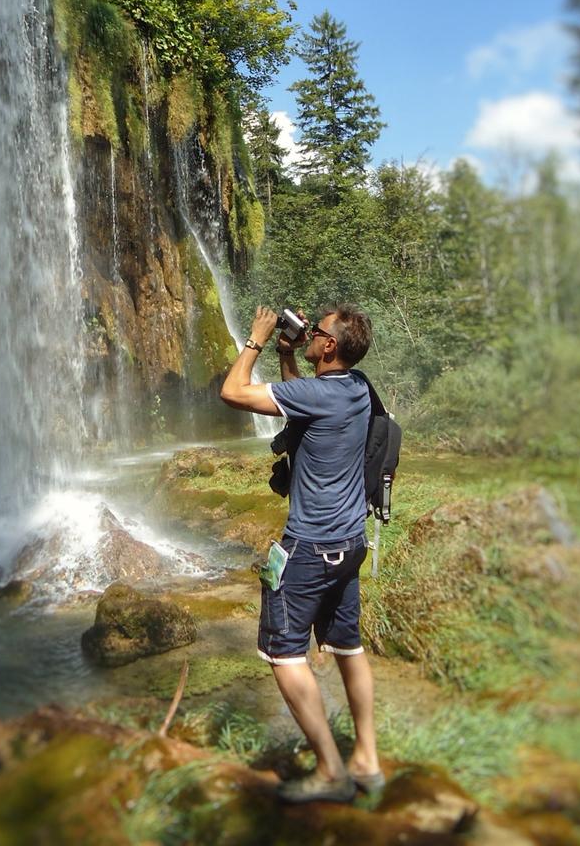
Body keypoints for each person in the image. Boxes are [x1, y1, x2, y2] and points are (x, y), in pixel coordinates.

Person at [219, 304, 384, 804]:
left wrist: (256, 339)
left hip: (309, 548)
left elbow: (232, 392)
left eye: (316, 331)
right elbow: (302, 408)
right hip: (350, 543)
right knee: (348, 647)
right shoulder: (357, 389)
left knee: (283, 652)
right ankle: (367, 760)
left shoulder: (316, 394)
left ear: (330, 346)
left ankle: (331, 771)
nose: (308, 332)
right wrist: (289, 357)